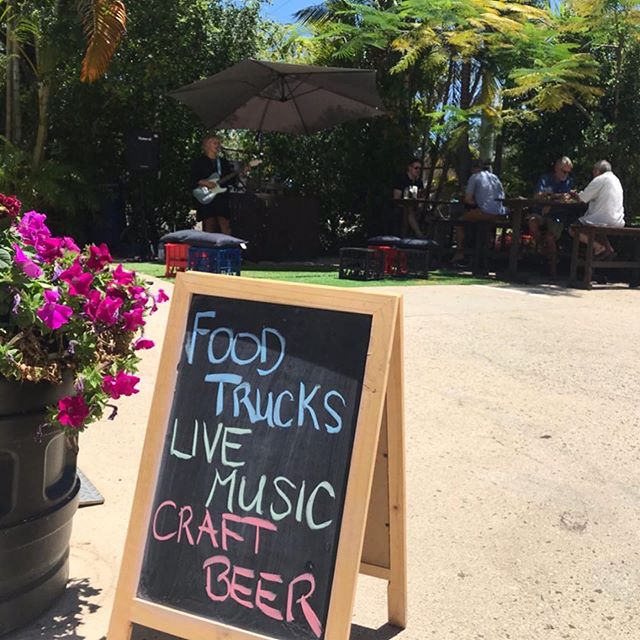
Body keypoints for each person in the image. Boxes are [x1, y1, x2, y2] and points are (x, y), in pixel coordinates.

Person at [451, 159, 507, 264]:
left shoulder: (474, 177)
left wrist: (474, 201)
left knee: (459, 222)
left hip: (486, 212)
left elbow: (468, 199)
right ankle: (482, 254)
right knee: (478, 221)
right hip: (501, 213)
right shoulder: (494, 177)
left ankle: (460, 252)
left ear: (473, 169)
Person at [569, 160, 624, 258]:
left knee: (573, 228)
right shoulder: (616, 180)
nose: (593, 174)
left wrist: (574, 195)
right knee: (598, 229)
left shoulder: (600, 179)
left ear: (597, 170)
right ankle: (609, 249)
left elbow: (583, 198)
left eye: (593, 171)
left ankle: (598, 247)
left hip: (602, 219)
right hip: (617, 221)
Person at [190, 134, 236, 235]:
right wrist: (204, 182)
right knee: (209, 225)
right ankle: (209, 249)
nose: (217, 145)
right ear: (207, 145)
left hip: (221, 198)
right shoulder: (198, 162)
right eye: (215, 143)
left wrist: (243, 172)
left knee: (225, 225)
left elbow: (231, 180)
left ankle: (226, 247)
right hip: (206, 198)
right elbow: (191, 179)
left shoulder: (223, 162)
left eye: (218, 143)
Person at [528, 156, 574, 257]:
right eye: (563, 171)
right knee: (532, 222)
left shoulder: (569, 181)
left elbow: (566, 198)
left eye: (568, 172)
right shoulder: (545, 178)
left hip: (557, 216)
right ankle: (541, 247)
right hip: (540, 212)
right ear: (556, 168)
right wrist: (555, 196)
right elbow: (537, 195)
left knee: (550, 237)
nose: (566, 175)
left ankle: (552, 266)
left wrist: (549, 200)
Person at [392, 159, 425, 238]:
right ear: (410, 168)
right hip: (401, 206)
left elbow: (421, 196)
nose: (418, 170)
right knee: (408, 210)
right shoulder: (401, 179)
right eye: (416, 168)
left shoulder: (419, 182)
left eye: (420, 168)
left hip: (414, 206)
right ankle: (419, 234)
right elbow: (396, 198)